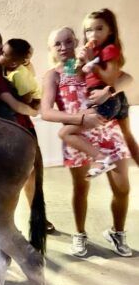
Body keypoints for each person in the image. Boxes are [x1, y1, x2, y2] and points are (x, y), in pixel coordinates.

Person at [41, 27, 131, 257]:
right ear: (51, 49)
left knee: (122, 188)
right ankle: (80, 234)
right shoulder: (54, 74)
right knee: (81, 188)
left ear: (77, 42)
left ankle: (117, 232)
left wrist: (107, 90)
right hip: (77, 136)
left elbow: (125, 78)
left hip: (107, 132)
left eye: (69, 41)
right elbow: (46, 112)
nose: (64, 47)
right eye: (58, 44)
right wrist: (81, 119)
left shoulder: (92, 67)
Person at [0, 29, 56, 234]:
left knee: (33, 177)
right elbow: (17, 105)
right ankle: (7, 224)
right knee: (10, 182)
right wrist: (36, 110)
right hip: (7, 133)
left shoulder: (8, 69)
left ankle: (36, 217)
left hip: (25, 128)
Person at [58, 9, 138, 177]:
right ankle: (103, 159)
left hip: (108, 101)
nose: (93, 34)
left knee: (65, 133)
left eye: (99, 28)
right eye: (89, 30)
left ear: (110, 31)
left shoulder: (109, 50)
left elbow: (113, 78)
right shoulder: (96, 51)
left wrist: (90, 63)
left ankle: (102, 160)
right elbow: (71, 72)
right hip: (113, 100)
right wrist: (80, 61)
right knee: (129, 138)